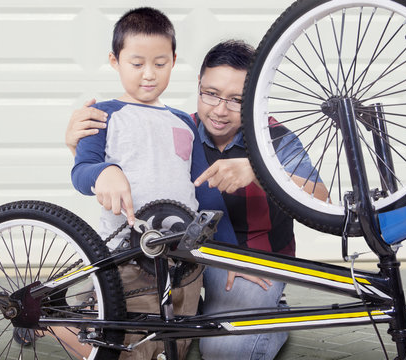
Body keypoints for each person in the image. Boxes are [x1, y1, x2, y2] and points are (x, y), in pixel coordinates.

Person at [67, 40, 328, 360]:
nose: (219, 109)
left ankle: (271, 313)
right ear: (199, 86)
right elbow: (132, 177)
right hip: (178, 255)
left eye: (236, 100)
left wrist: (260, 172)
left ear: (254, 100)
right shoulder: (179, 127)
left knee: (225, 350)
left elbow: (319, 194)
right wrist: (78, 148)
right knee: (92, 317)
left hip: (246, 261)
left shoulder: (275, 138)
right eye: (211, 93)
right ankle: (201, 310)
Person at [71, 8, 238, 360]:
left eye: (160, 64)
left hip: (184, 259)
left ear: (174, 61)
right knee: (131, 346)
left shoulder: (183, 122)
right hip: (129, 257)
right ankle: (52, 322)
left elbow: (205, 190)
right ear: (114, 61)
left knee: (175, 340)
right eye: (137, 64)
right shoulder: (104, 114)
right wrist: (105, 171)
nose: (149, 75)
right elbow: (82, 170)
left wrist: (233, 255)